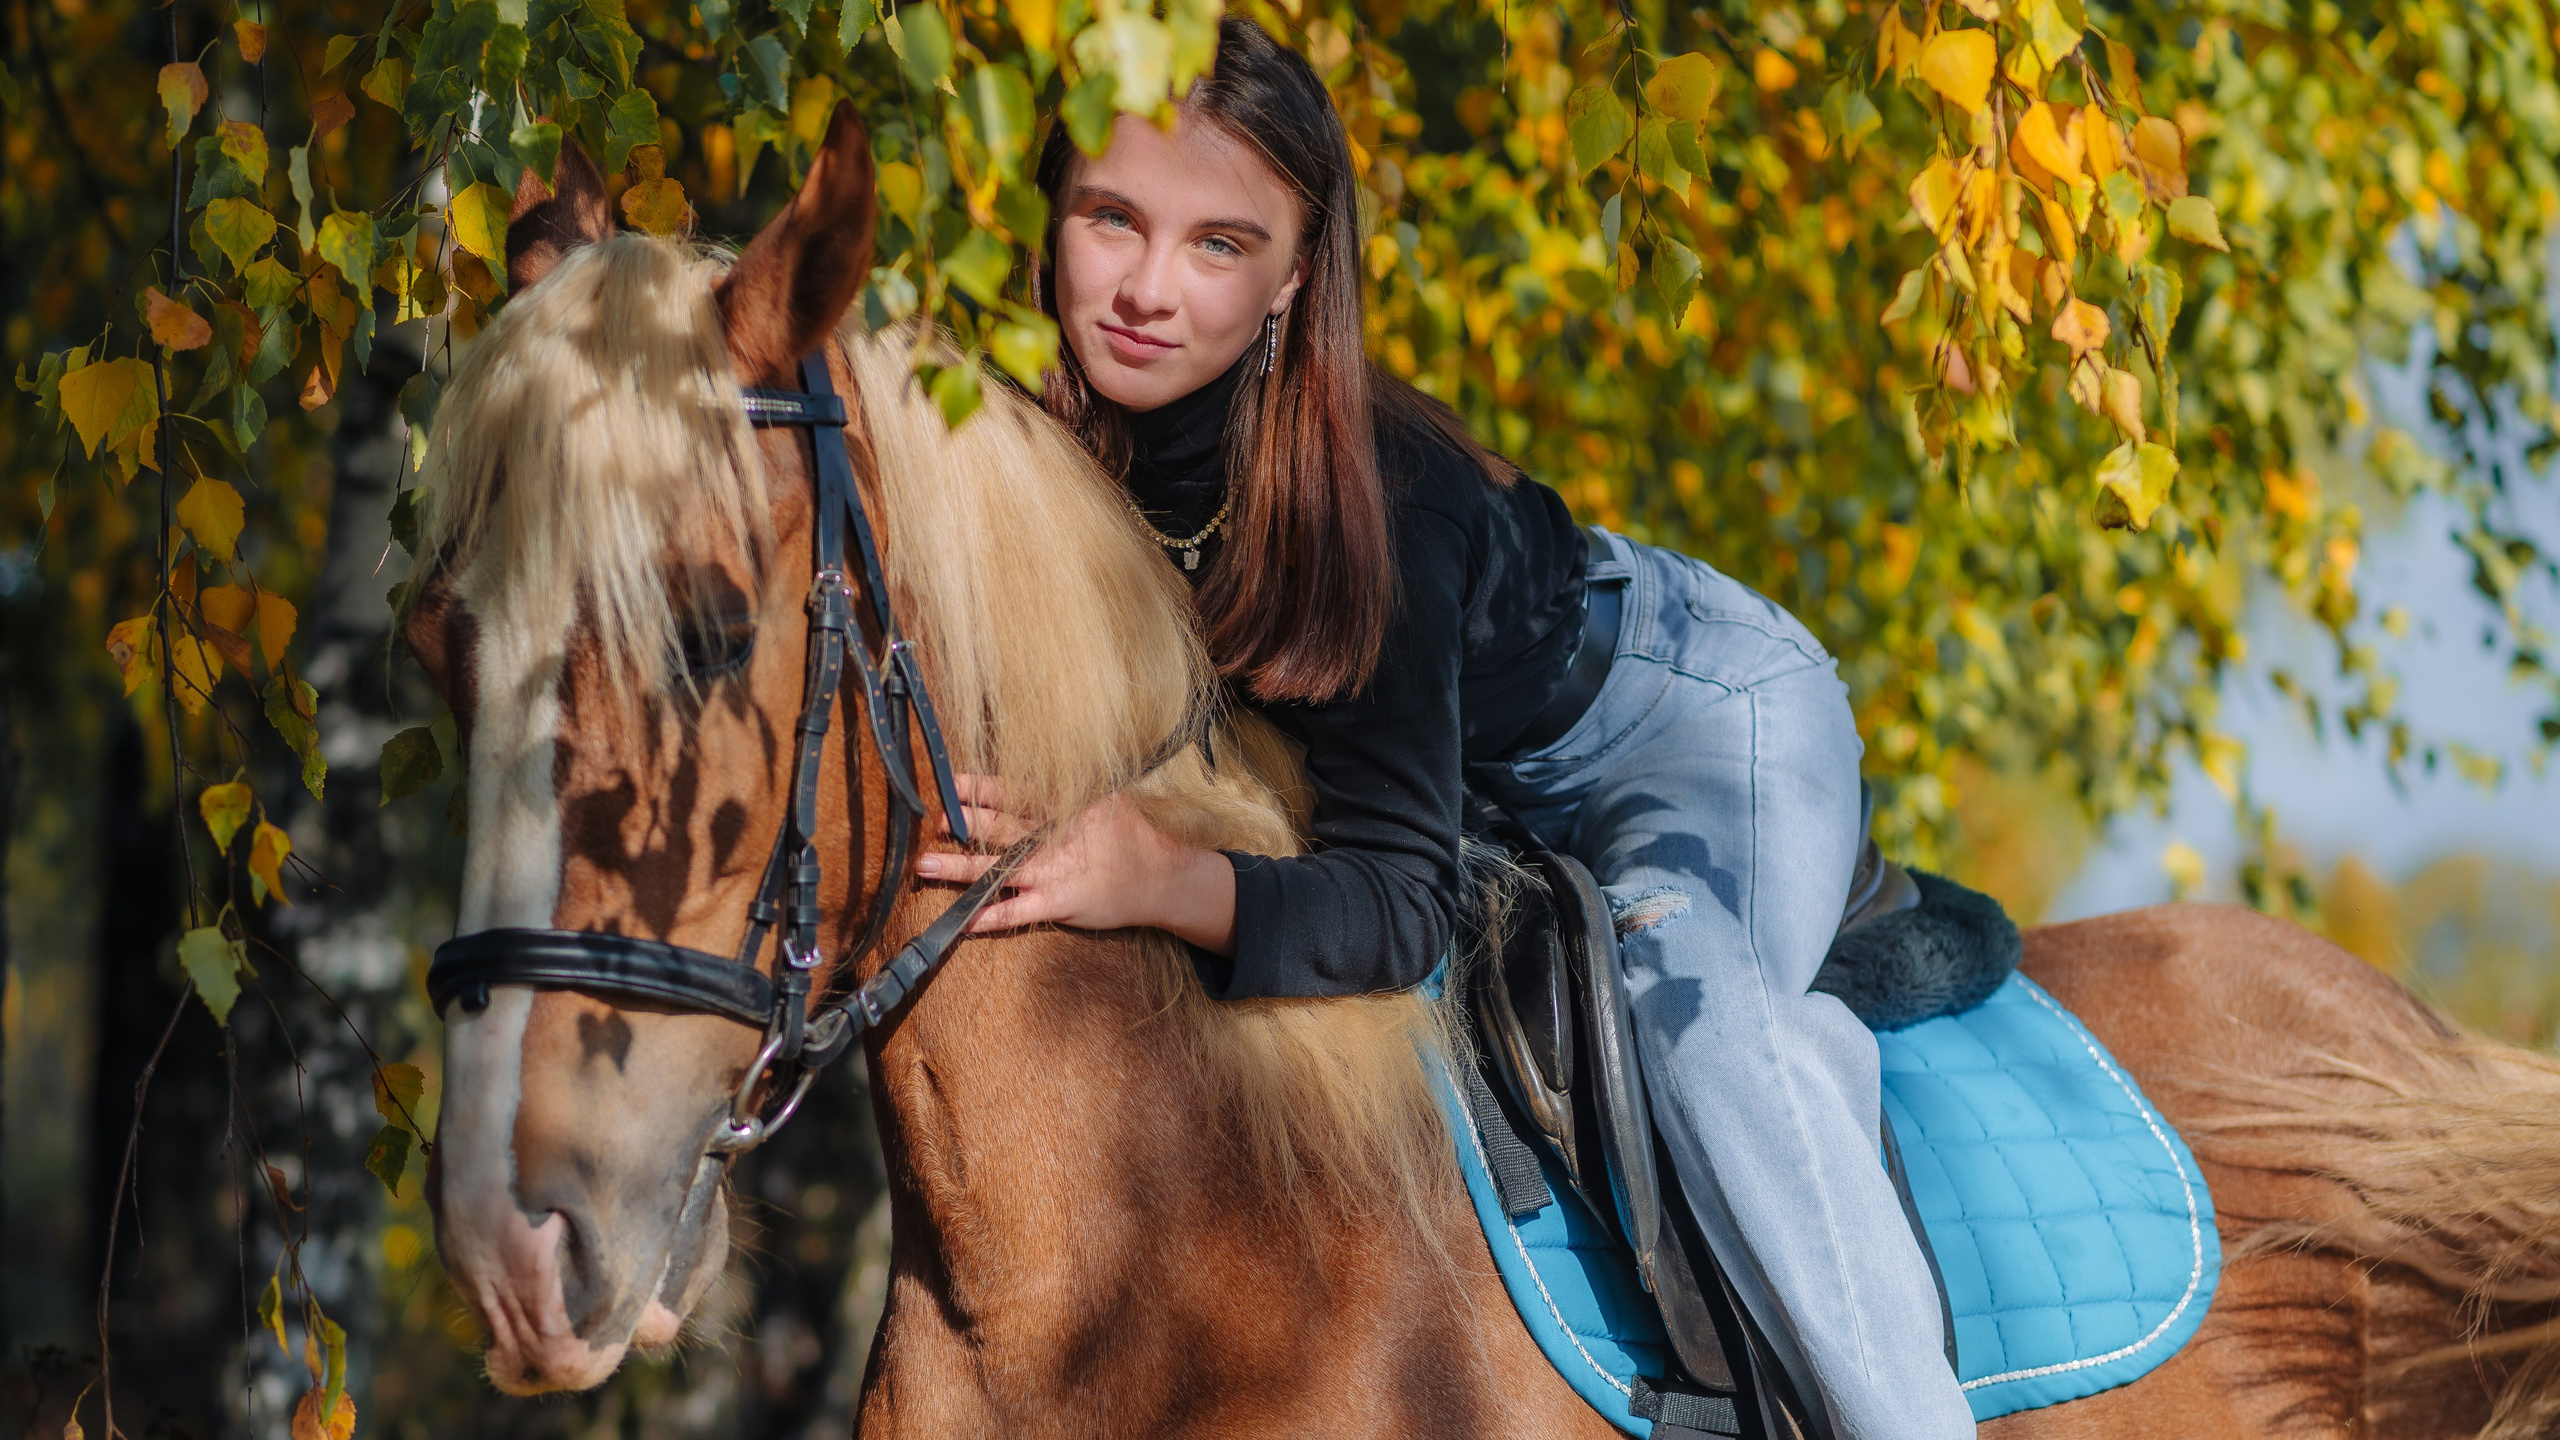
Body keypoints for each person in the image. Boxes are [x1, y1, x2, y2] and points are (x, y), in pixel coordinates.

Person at [913, 18, 1974, 1440]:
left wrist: (1155, 875)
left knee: (1688, 990)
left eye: (1220, 245)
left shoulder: (1378, 504)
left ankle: (1905, 1413)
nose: (1149, 292)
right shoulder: (1050, 438)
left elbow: (1402, 902)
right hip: (1476, 771)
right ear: (1050, 218)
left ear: (1296, 273)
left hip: (1685, 719)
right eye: (1113, 219)